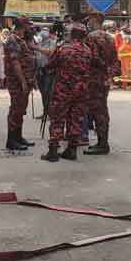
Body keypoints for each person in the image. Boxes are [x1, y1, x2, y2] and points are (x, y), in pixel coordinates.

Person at [40, 22, 94, 162]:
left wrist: (46, 70)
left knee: (57, 118)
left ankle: (53, 151)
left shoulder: (64, 48)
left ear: (72, 34)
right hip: (81, 91)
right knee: (75, 119)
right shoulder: (88, 51)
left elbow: (50, 65)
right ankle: (72, 149)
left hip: (63, 90)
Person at [83, 11, 121, 155]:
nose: (88, 23)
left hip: (94, 78)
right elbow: (115, 60)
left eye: (90, 20)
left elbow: (90, 58)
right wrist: (108, 74)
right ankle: (102, 141)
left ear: (95, 20)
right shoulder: (110, 38)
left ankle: (102, 143)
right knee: (102, 110)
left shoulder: (91, 37)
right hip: (104, 79)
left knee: (97, 111)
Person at [1, 18, 38, 151]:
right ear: (22, 26)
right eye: (28, 25)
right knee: (16, 110)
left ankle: (18, 137)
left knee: (21, 110)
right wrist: (22, 81)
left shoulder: (21, 40)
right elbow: (15, 63)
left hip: (25, 81)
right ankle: (11, 140)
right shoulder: (13, 40)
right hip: (17, 82)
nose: (30, 28)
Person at [34, 25, 58, 116]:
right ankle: (45, 112)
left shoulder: (52, 42)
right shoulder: (38, 43)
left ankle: (51, 113)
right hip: (39, 71)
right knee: (43, 93)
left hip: (48, 71)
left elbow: (51, 52)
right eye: (42, 30)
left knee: (48, 92)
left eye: (46, 30)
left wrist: (37, 48)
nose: (43, 33)